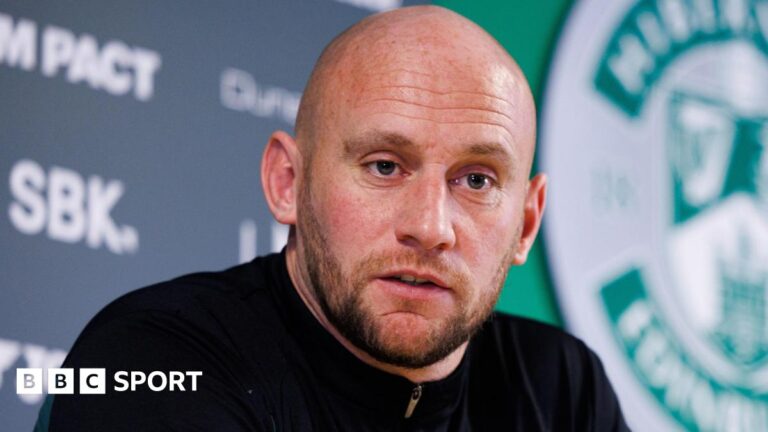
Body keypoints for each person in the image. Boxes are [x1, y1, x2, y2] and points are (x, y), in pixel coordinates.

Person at [45, 5, 629, 431]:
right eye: (384, 166)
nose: (430, 227)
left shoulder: (561, 388)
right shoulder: (153, 359)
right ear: (288, 184)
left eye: (476, 180)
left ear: (525, 224)